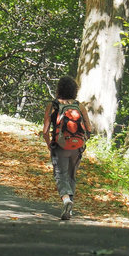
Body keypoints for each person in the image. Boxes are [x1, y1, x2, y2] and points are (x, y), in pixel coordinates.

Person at [41, 75, 93, 220]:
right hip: (77, 147)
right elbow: (88, 129)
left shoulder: (53, 106)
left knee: (60, 175)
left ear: (59, 89)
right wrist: (81, 142)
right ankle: (69, 209)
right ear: (74, 90)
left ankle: (66, 200)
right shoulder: (79, 106)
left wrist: (50, 145)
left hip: (60, 146)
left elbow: (45, 131)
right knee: (71, 176)